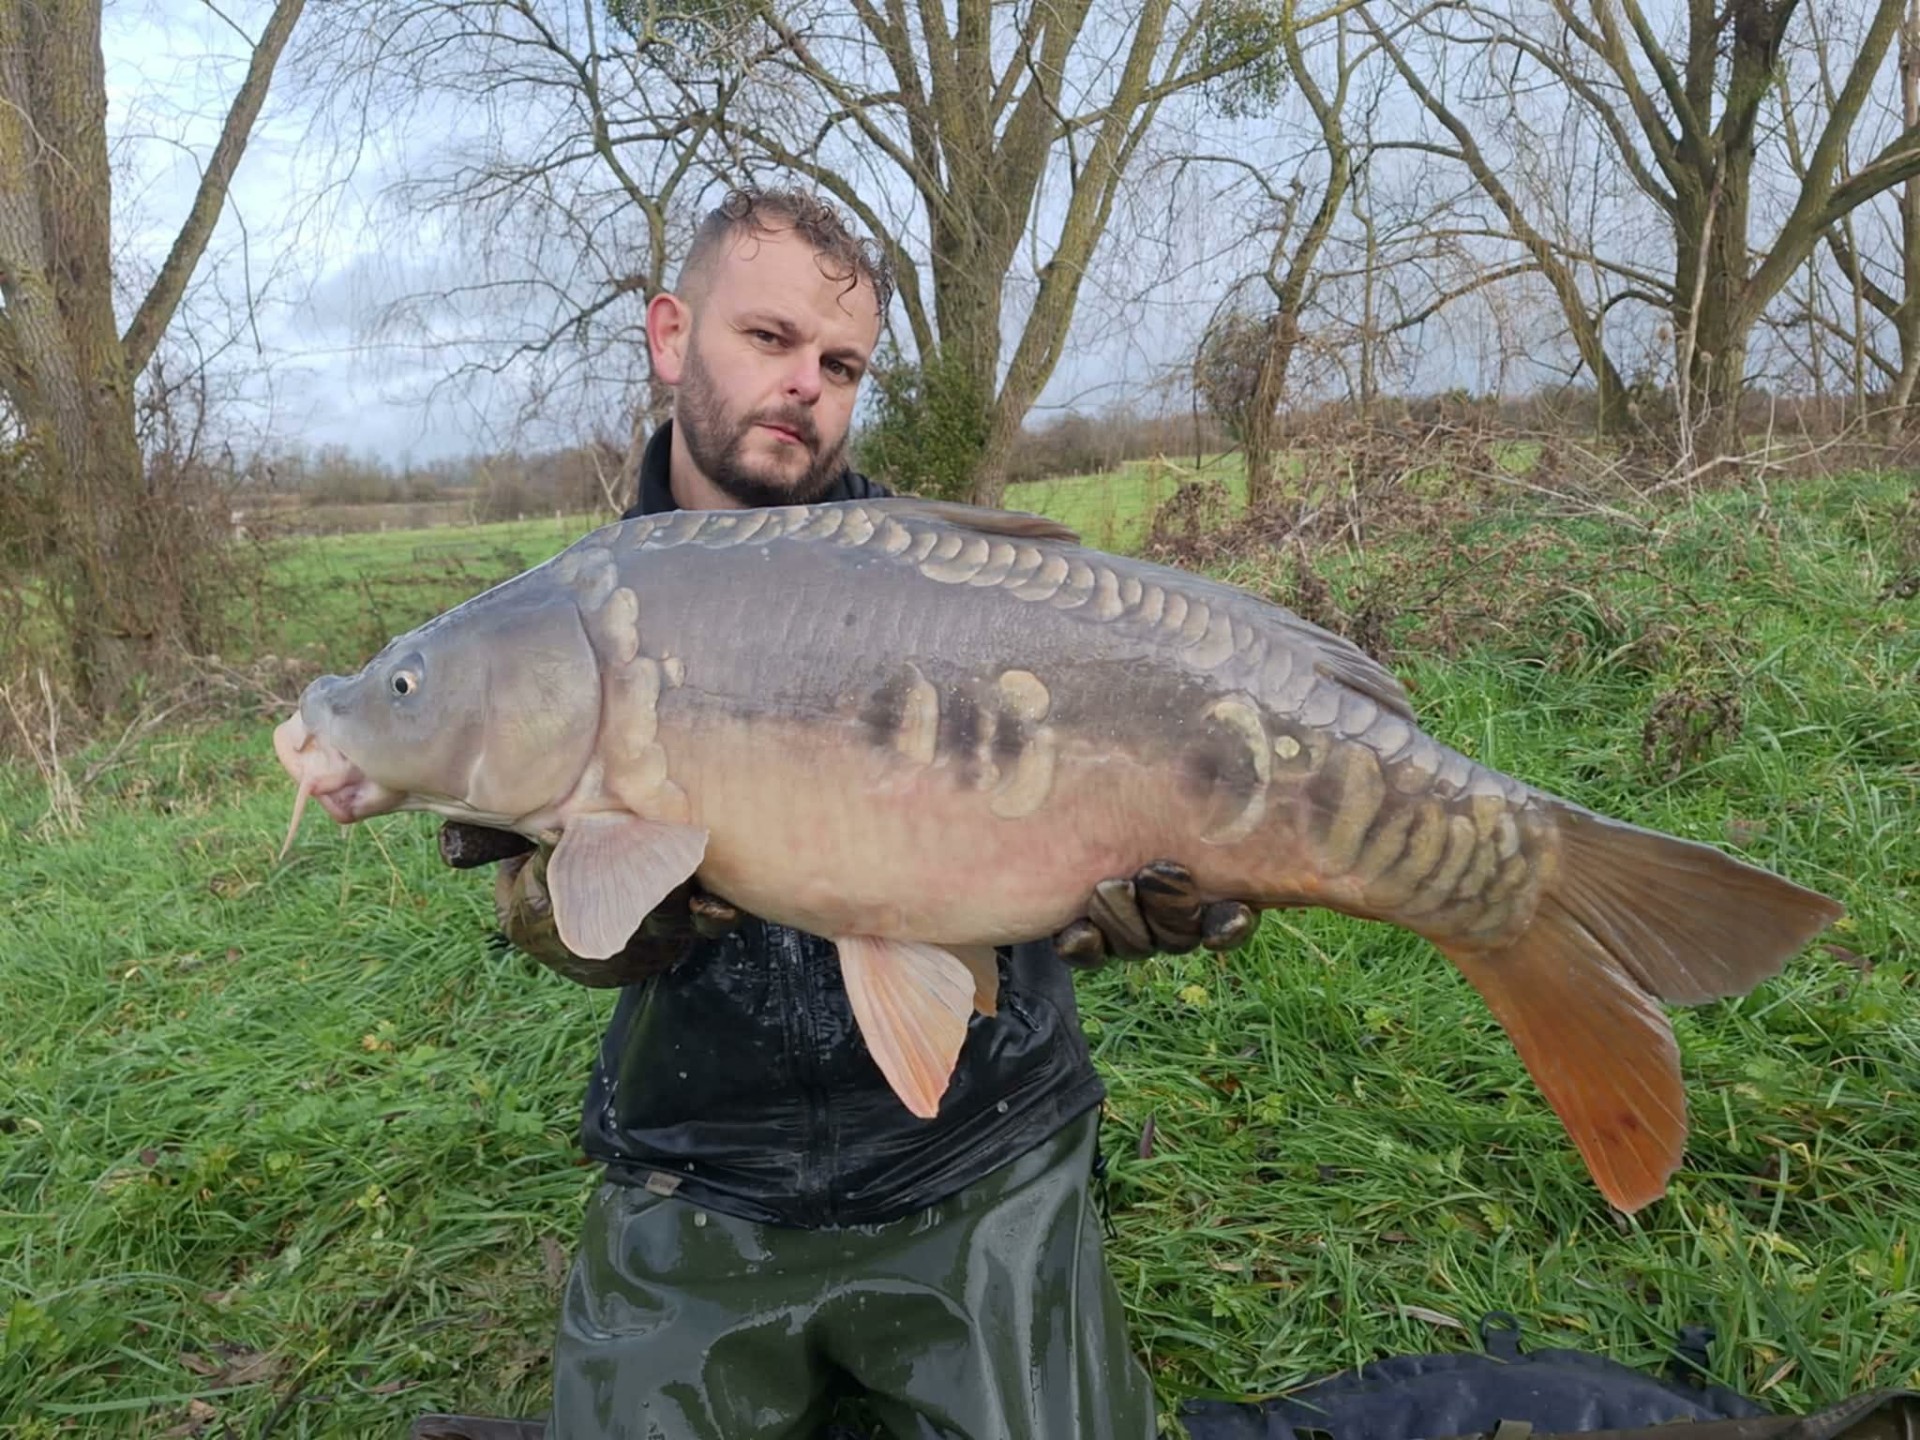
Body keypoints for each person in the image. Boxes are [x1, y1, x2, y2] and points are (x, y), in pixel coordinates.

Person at [429, 187, 1266, 1440]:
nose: (805, 385)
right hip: (700, 1153)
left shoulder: (948, 582)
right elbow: (536, 911)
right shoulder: (555, 625)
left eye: (840, 363)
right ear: (671, 337)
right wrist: (600, 914)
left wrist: (1138, 893)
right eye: (767, 340)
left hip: (980, 1134)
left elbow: (1129, 793)